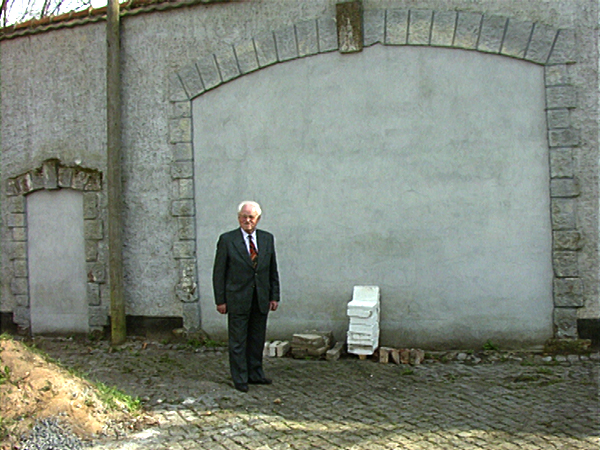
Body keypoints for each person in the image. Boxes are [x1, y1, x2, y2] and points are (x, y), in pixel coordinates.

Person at [212, 200, 280, 392]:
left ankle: (255, 373)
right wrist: (220, 300)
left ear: (258, 219)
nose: (247, 220)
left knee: (257, 340)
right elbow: (219, 272)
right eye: (244, 216)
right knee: (238, 341)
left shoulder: (267, 239)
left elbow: (272, 269)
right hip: (237, 299)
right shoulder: (227, 240)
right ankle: (240, 378)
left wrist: (274, 296)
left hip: (260, 298)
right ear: (238, 218)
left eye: (251, 217)